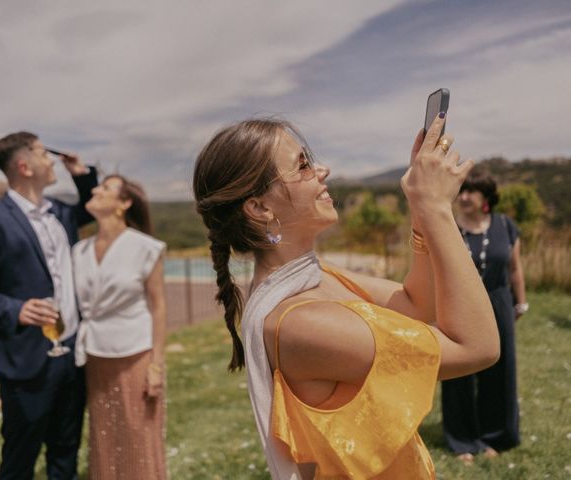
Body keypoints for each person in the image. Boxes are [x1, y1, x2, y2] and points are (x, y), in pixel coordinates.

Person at [192, 115, 500, 479]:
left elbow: (415, 305)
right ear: (260, 208)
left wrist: (420, 210)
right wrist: (437, 210)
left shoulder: (319, 278)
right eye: (302, 166)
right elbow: (476, 347)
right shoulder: (298, 323)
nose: (323, 169)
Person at [0, 131, 98, 479]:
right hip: (26, 360)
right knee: (20, 456)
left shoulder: (61, 214)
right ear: (24, 165)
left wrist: (81, 174)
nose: (51, 161)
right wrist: (15, 309)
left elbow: (94, 204)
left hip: (72, 354)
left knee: (65, 452)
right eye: (43, 154)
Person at [72, 174, 167, 479]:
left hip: (135, 354)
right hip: (94, 355)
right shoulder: (79, 251)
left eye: (105, 187)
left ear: (124, 204)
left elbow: (158, 306)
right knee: (104, 436)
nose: (96, 189)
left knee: (138, 435)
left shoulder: (146, 248)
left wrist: (156, 365)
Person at [441, 171, 527, 464]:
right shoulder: (449, 226)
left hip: (499, 301)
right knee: (458, 372)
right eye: (461, 191)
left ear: (486, 198)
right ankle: (462, 440)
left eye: (471, 192)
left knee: (500, 370)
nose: (464, 197)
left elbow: (514, 269)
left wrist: (521, 303)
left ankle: (496, 435)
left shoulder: (505, 225)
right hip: (459, 303)